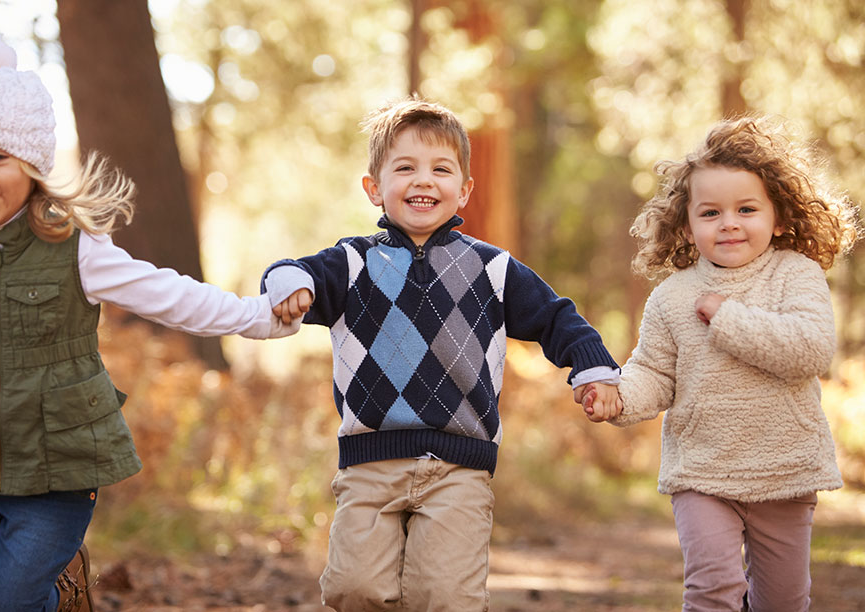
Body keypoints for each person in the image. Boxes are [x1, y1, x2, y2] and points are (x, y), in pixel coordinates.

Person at [0, 36, 305, 612]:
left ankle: (56, 588)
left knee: (5, 604)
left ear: (32, 164)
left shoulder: (72, 248)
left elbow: (169, 295)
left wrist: (256, 316)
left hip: (55, 465)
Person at [263, 96, 622, 611]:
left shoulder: (492, 269)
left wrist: (592, 368)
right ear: (374, 188)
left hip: (459, 467)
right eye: (404, 168)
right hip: (370, 461)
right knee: (352, 588)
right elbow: (291, 271)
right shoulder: (352, 263)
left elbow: (556, 316)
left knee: (445, 596)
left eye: (441, 169)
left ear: (465, 189)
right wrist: (288, 284)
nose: (423, 181)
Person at [582, 116, 859, 611]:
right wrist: (617, 396)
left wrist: (726, 318)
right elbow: (654, 374)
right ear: (687, 224)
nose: (729, 222)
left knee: (783, 602)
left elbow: (810, 350)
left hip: (784, 469)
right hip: (702, 471)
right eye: (711, 213)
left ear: (778, 217)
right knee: (712, 590)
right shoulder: (672, 296)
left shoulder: (796, 274)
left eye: (746, 209)